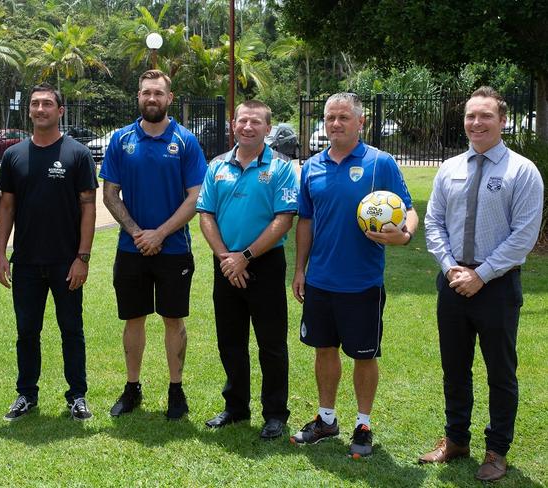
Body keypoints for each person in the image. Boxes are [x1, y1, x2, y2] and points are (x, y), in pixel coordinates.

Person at [421, 86, 543, 481]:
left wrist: (482, 274)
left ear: (502, 121)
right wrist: (451, 267)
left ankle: (496, 451)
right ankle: (455, 440)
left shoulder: (522, 171)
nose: (476, 122)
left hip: (498, 287)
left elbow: (524, 236)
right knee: (454, 369)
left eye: (485, 116)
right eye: (471, 116)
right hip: (453, 282)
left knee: (500, 372)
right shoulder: (450, 168)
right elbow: (433, 222)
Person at [290, 93, 418, 456]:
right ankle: (326, 419)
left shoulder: (381, 163)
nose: (335, 124)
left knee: (364, 355)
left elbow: (407, 210)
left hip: (362, 282)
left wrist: (403, 235)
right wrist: (300, 269)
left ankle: (363, 424)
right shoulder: (312, 166)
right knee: (323, 349)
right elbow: (306, 221)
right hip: (320, 281)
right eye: (330, 118)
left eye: (344, 117)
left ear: (361, 122)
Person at [100, 70, 207, 420]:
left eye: (158, 93)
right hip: (131, 250)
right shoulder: (120, 139)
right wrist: (137, 233)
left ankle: (176, 390)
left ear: (169, 98)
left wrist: (159, 234)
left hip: (174, 248)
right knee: (134, 319)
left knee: (173, 319)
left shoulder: (186, 141)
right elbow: (110, 194)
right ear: (138, 96)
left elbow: (195, 198)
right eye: (146, 92)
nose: (152, 99)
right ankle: (132, 388)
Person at [0, 83, 98, 421]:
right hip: (25, 262)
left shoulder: (78, 154)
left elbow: (88, 207)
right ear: (29, 111)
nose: (41, 109)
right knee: (26, 332)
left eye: (47, 104)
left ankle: (77, 396)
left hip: (66, 262)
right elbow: (7, 207)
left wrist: (82, 257)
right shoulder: (13, 156)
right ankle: (26, 394)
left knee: (72, 329)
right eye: (35, 104)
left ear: (60, 111)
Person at [197, 100, 298, 440]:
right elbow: (206, 214)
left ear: (268, 129)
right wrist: (228, 257)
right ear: (234, 124)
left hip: (265, 264)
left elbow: (284, 219)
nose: (248, 127)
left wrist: (246, 256)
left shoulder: (281, 168)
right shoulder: (217, 166)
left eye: (256, 122)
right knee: (230, 340)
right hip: (225, 264)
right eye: (243, 120)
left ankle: (275, 413)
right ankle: (236, 406)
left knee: (271, 343)